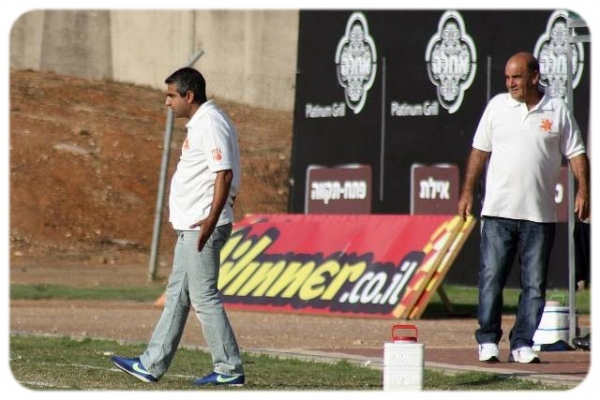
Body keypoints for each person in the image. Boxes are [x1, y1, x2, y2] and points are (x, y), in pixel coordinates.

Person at [111, 67, 244, 385]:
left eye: (171, 96)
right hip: (193, 225)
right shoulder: (202, 122)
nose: (167, 102)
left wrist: (211, 220)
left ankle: (229, 369)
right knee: (177, 296)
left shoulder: (210, 122)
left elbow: (224, 173)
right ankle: (151, 364)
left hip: (202, 226)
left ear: (189, 96)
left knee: (204, 297)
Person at [457, 52, 590, 364]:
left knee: (534, 285)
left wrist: (585, 189)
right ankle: (488, 339)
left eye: (516, 77)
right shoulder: (497, 107)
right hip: (497, 213)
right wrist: (466, 192)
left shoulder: (557, 110)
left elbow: (576, 153)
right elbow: (479, 151)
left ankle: (522, 343)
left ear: (534, 77)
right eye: (507, 77)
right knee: (491, 278)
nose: (510, 83)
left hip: (539, 216)